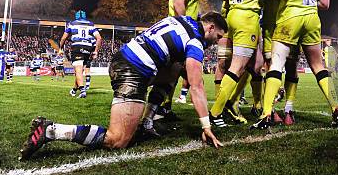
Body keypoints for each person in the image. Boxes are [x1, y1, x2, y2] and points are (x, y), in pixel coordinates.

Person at [19, 12, 227, 160]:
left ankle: (147, 123)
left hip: (128, 60)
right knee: (117, 140)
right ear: (209, 27)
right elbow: (197, 86)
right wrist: (206, 126)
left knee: (176, 69)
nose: (216, 42)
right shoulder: (195, 41)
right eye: (217, 36)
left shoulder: (182, 19)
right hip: (132, 70)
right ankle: (51, 131)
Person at [209, 0, 326, 128]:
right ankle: (220, 110)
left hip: (237, 17)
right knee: (240, 66)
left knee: (255, 66)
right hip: (253, 19)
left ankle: (259, 105)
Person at [254, 0, 338, 130]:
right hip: (312, 18)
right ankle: (336, 108)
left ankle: (266, 113)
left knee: (276, 64)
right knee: (319, 67)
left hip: (290, 17)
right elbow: (326, 3)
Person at [140, 0, 204, 136]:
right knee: (174, 74)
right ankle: (152, 109)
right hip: (179, 33)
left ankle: (162, 109)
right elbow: (178, 2)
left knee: (173, 73)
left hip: (175, 30)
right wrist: (186, 27)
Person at [59, 10, 102, 99]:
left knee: (78, 70)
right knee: (80, 70)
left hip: (77, 47)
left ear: (76, 16)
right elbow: (99, 38)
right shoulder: (91, 24)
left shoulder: (72, 23)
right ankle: (74, 90)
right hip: (88, 48)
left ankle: (83, 91)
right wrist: (96, 51)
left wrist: (60, 48)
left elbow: (63, 38)